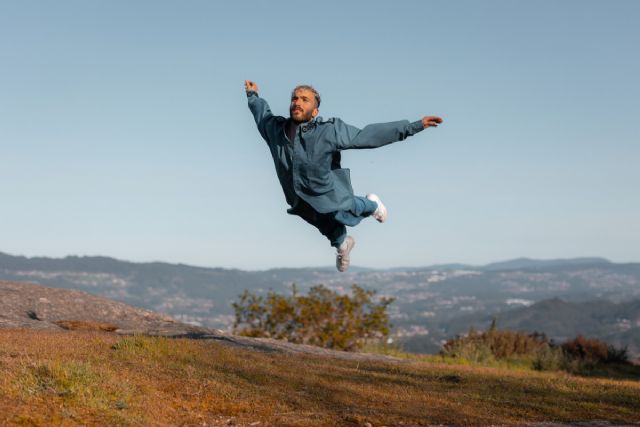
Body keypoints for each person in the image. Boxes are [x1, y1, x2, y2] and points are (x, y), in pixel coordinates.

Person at [245, 80, 442, 272]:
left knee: (344, 208)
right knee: (320, 221)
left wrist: (413, 127)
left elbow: (366, 136)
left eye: (305, 99)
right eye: (295, 98)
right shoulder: (275, 130)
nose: (298, 102)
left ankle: (373, 204)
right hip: (297, 195)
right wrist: (252, 95)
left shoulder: (329, 130)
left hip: (329, 191)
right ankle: (342, 245)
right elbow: (261, 114)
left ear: (315, 112)